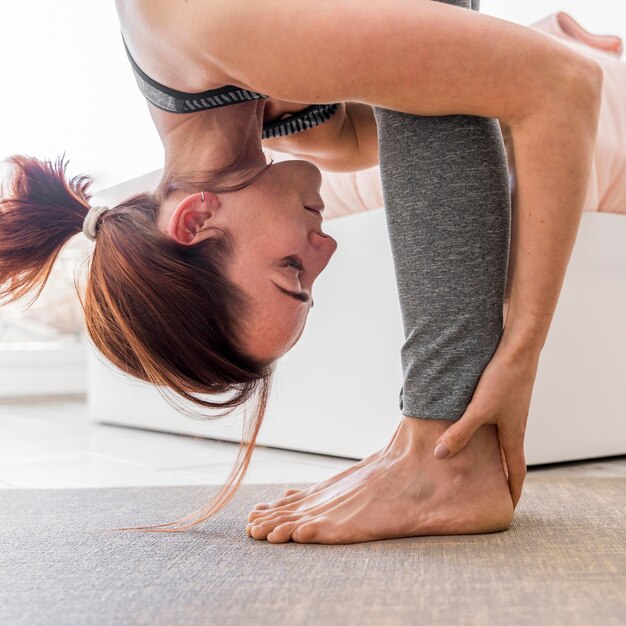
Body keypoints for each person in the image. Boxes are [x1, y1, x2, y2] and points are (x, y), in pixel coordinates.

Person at [0, 0, 602, 543]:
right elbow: (429, 101)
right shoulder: (248, 94)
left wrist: (520, 350)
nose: (325, 251)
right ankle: (433, 449)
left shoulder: (213, 27)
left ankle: (444, 452)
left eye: (291, 269)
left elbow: (562, 84)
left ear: (195, 220)